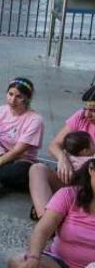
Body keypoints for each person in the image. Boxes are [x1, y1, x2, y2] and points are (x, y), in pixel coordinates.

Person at [29, 86, 95, 220]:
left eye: (93, 111)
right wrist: (62, 158)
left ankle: (55, 210)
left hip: (90, 188)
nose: (87, 114)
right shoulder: (81, 116)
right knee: (37, 169)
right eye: (86, 109)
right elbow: (54, 145)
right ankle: (46, 218)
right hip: (69, 179)